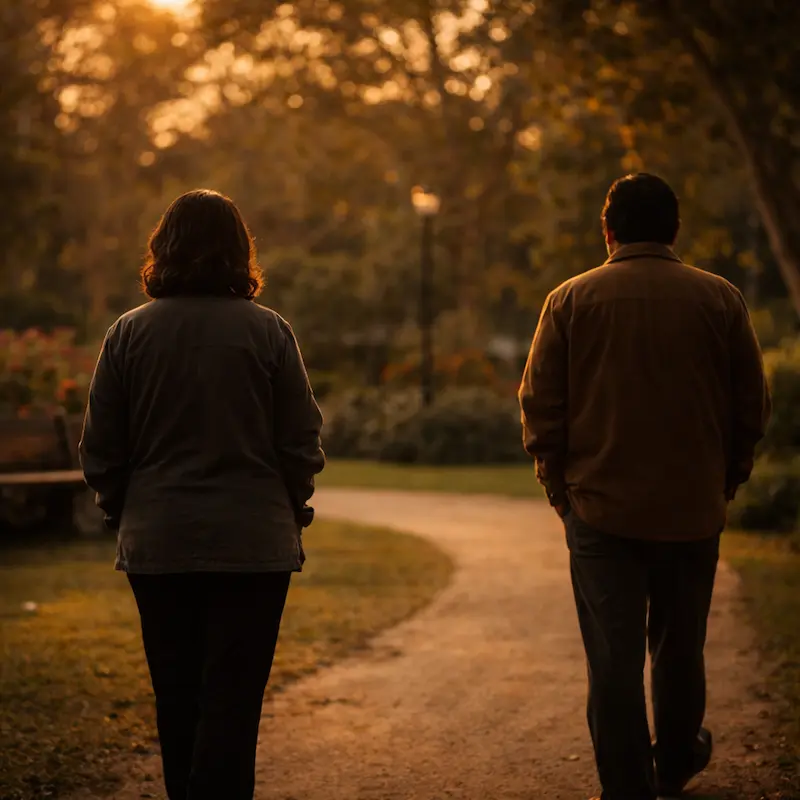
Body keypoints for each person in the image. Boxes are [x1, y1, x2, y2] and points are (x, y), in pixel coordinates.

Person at [518, 173, 771, 800]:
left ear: (607, 231)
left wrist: (559, 489)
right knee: (681, 647)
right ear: (674, 229)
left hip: (600, 513)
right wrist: (727, 479)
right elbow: (752, 405)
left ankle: (626, 785)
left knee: (613, 660)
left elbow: (540, 405)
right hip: (691, 508)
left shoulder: (571, 300)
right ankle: (677, 760)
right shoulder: (720, 299)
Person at [79, 189, 325, 800]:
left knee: (176, 694)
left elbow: (101, 448)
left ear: (163, 250)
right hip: (254, 543)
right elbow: (300, 439)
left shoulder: (127, 335)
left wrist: (122, 509)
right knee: (234, 702)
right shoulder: (269, 333)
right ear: (240, 252)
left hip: (159, 539)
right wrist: (293, 504)